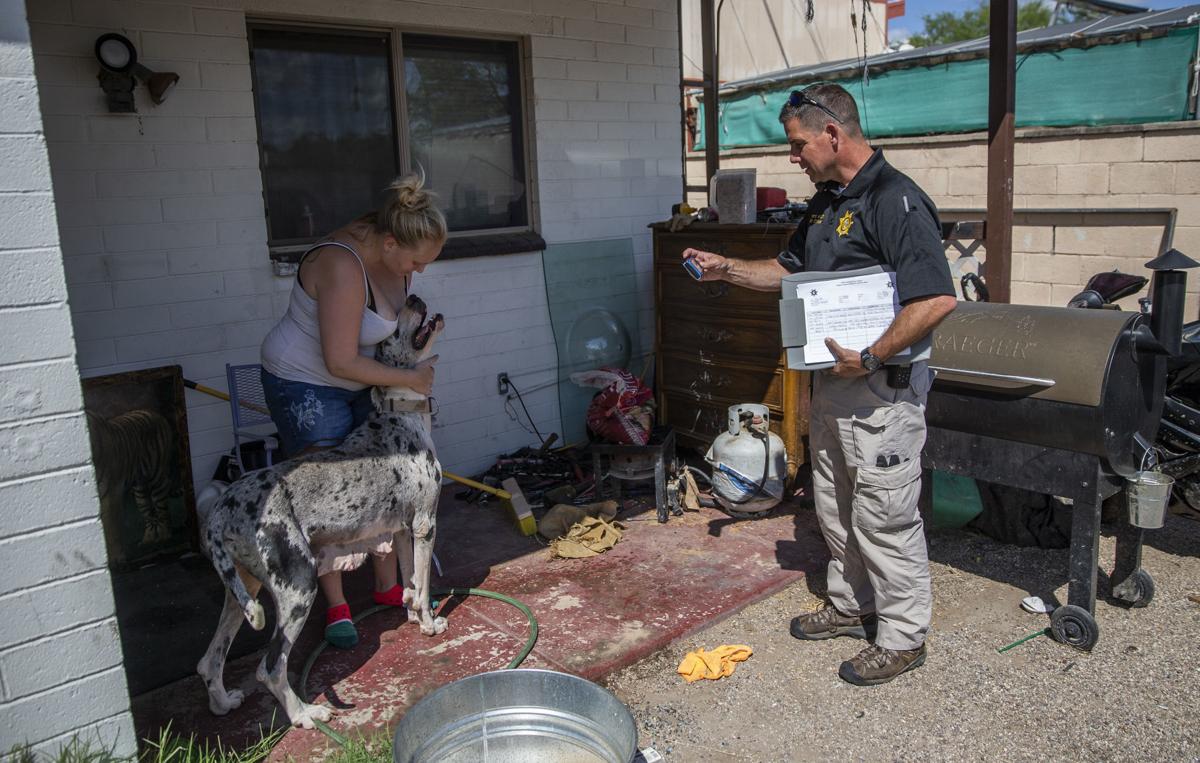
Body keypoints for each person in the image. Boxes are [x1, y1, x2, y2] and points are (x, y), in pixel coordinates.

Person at [681, 84, 957, 686]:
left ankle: (903, 636)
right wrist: (725, 267)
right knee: (833, 505)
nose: (793, 157)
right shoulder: (827, 204)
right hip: (831, 385)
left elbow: (935, 297)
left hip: (881, 389)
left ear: (832, 134)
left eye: (798, 144)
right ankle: (851, 602)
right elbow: (787, 269)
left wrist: (874, 353)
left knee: (884, 514)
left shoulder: (896, 198)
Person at [260, 174, 446, 649]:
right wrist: (410, 380)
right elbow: (339, 359)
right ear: (389, 242)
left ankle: (387, 587)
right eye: (416, 262)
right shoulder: (342, 265)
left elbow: (382, 343)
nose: (419, 272)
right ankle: (336, 605)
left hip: (361, 381)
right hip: (306, 385)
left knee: (380, 482)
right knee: (326, 491)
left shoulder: (394, 258)